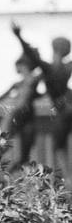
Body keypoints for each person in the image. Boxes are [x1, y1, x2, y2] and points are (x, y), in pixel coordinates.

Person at [11, 20, 72, 163]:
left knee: (59, 147)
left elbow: (31, 56)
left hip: (63, 111)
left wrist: (19, 36)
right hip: (68, 107)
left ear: (55, 49)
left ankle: (69, 181)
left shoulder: (49, 69)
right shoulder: (68, 68)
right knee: (60, 146)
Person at [0, 54, 41, 167]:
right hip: (17, 114)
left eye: (17, 66)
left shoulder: (33, 80)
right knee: (4, 140)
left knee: (25, 147)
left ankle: (14, 164)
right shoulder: (20, 84)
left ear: (23, 66)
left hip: (25, 116)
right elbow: (2, 97)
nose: (16, 69)